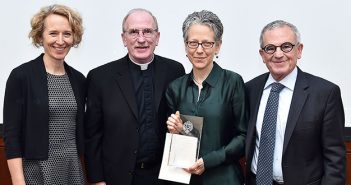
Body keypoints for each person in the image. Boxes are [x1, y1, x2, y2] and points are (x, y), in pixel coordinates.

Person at [84, 8, 185, 185]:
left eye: (147, 31)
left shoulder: (175, 71)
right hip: (118, 177)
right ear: (123, 38)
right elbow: (92, 135)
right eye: (133, 32)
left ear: (157, 37)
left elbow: (182, 122)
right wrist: (96, 180)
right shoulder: (100, 77)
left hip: (164, 176)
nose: (141, 39)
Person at [245, 20, 346, 185]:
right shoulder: (250, 89)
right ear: (262, 55)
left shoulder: (325, 93)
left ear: (299, 50)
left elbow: (335, 159)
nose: (278, 54)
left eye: (286, 46)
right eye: (270, 48)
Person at [3, 4, 85, 185]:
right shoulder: (21, 76)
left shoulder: (79, 80)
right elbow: (11, 134)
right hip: (37, 172)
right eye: (53, 33)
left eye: (67, 33)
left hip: (72, 170)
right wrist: (18, 182)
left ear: (74, 37)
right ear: (40, 36)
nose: (61, 40)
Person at [166, 10, 247, 185]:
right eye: (193, 43)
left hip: (224, 178)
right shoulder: (175, 88)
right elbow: (179, 136)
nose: (199, 50)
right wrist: (176, 129)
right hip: (183, 178)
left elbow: (243, 136)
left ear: (218, 46)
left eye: (207, 43)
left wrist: (208, 161)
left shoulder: (233, 82)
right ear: (185, 46)